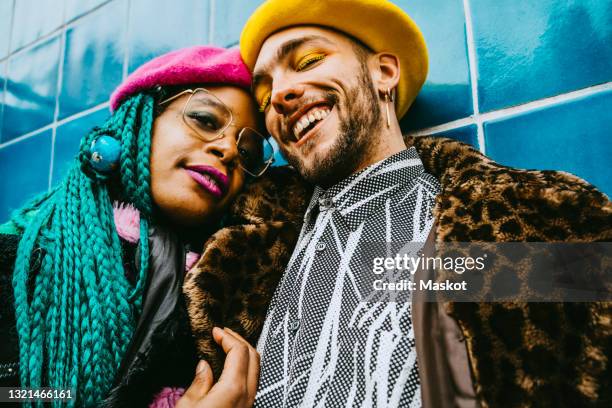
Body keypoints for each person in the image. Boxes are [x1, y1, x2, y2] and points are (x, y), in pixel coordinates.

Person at [176, 0, 612, 406]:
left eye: (307, 61)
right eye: (266, 96)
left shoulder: (517, 226)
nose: (282, 95)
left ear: (384, 72)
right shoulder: (242, 256)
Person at [0, 46, 271, 407]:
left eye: (249, 154)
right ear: (138, 122)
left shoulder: (225, 304)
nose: (229, 151)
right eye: (206, 120)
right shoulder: (18, 261)